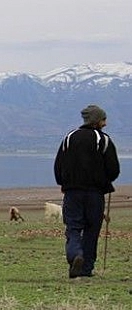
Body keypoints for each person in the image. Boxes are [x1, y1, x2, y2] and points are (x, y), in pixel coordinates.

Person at [54, 104, 120, 278]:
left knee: (73, 227)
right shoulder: (103, 140)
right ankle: (85, 269)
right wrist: (106, 180)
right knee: (92, 229)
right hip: (95, 194)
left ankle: (75, 254)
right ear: (97, 120)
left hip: (72, 193)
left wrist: (64, 182)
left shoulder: (69, 137)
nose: (105, 123)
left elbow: (58, 165)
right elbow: (114, 169)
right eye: (104, 119)